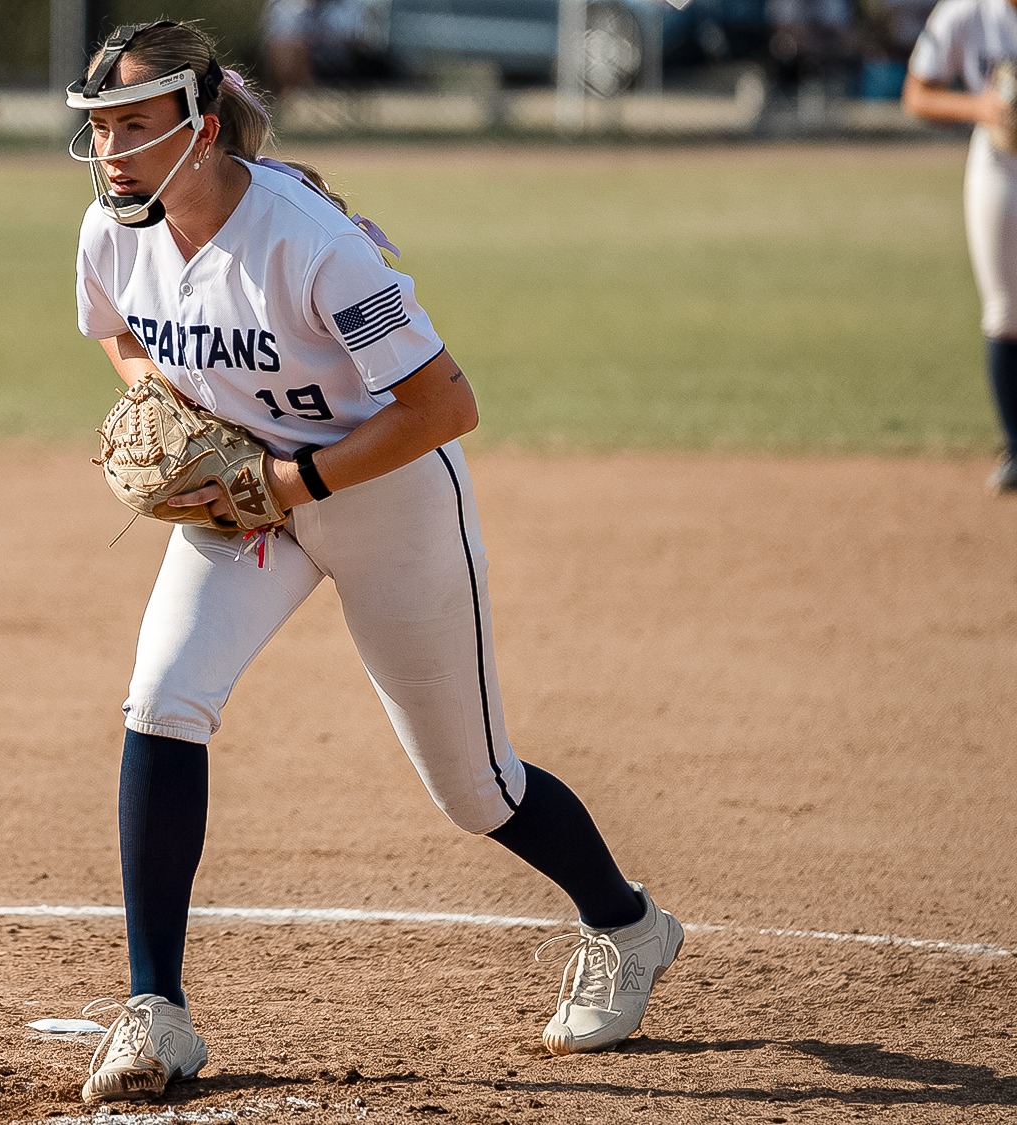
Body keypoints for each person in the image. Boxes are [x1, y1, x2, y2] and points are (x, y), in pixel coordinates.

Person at [62, 21, 688, 1104]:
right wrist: (159, 402)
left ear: (200, 128)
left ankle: (626, 925)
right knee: (162, 701)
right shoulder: (112, 231)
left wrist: (290, 485)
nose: (110, 153)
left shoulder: (307, 242)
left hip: (384, 498)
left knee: (474, 788)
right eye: (97, 130)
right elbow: (117, 332)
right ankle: (152, 1011)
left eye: (131, 126)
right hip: (243, 499)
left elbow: (445, 405)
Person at [902, 0, 1017, 493]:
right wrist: (981, 107)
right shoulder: (966, 13)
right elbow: (916, 94)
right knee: (1006, 311)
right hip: (1000, 163)